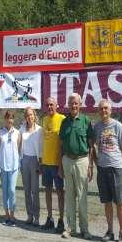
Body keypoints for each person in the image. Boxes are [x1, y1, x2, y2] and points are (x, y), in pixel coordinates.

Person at [93, 99, 122, 242]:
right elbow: (93, 147)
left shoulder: (117, 125)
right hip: (102, 169)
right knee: (107, 202)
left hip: (116, 168)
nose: (103, 111)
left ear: (111, 110)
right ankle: (110, 231)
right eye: (101, 109)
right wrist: (96, 163)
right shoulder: (97, 127)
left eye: (106, 108)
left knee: (119, 202)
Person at [59, 93, 95, 240]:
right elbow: (61, 145)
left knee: (82, 197)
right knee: (69, 196)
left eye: (76, 103)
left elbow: (91, 145)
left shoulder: (86, 121)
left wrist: (91, 165)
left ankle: (84, 229)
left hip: (82, 161)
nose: (73, 106)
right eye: (71, 103)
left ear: (80, 105)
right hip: (67, 160)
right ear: (68, 105)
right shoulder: (64, 122)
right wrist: (61, 165)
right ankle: (71, 228)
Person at [40, 97, 66, 233]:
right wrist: (41, 161)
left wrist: (62, 162)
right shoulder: (44, 120)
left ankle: (61, 220)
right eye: (47, 105)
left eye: (52, 105)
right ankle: (50, 218)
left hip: (57, 163)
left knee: (60, 192)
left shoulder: (62, 118)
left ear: (57, 105)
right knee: (48, 191)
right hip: (46, 162)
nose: (49, 107)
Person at [20, 107, 43, 226]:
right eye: (27, 115)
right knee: (27, 190)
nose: (30, 117)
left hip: (35, 161)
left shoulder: (40, 130)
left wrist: (40, 162)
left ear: (34, 116)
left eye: (31, 115)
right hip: (24, 160)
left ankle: (37, 217)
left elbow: (41, 148)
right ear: (25, 117)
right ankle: (29, 215)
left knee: (35, 190)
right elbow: (19, 146)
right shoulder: (22, 129)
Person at [0, 110, 21, 226]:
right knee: (5, 191)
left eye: (11, 118)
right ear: (5, 119)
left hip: (14, 167)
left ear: (13, 120)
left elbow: (19, 149)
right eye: (7, 118)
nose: (9, 120)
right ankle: (6, 216)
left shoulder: (17, 133)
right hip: (3, 166)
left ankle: (12, 215)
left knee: (12, 190)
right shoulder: (0, 132)